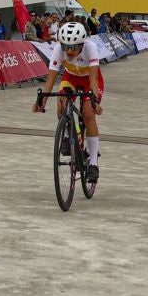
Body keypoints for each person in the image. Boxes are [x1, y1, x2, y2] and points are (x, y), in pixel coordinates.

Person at [34, 19, 104, 186]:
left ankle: (93, 163)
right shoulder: (59, 49)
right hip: (70, 78)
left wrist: (94, 101)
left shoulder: (90, 48)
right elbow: (51, 76)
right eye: (65, 46)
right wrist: (41, 99)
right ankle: (66, 136)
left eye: (73, 47)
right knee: (61, 103)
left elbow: (94, 79)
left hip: (89, 80)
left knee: (88, 114)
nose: (69, 51)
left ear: (81, 44)